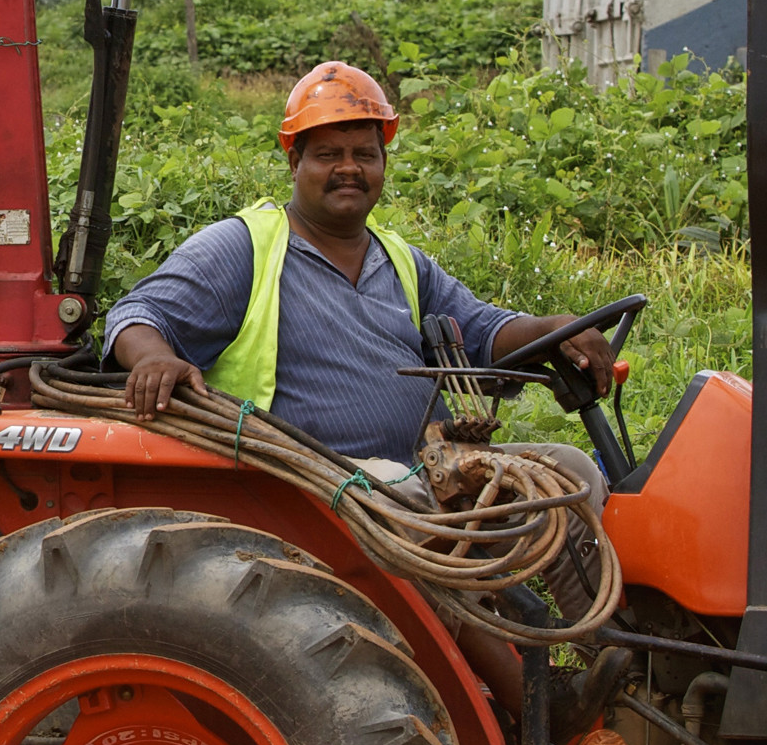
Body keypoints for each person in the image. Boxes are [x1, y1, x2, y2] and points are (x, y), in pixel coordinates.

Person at [105, 61, 618, 462]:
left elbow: (482, 331)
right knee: (403, 485)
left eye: (364, 155)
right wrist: (152, 357)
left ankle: (596, 602)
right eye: (329, 154)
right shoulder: (244, 247)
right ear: (295, 162)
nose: (348, 169)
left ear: (383, 164)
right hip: (317, 484)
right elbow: (137, 315)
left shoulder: (401, 261)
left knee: (570, 469)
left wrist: (557, 327)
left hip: (433, 465)